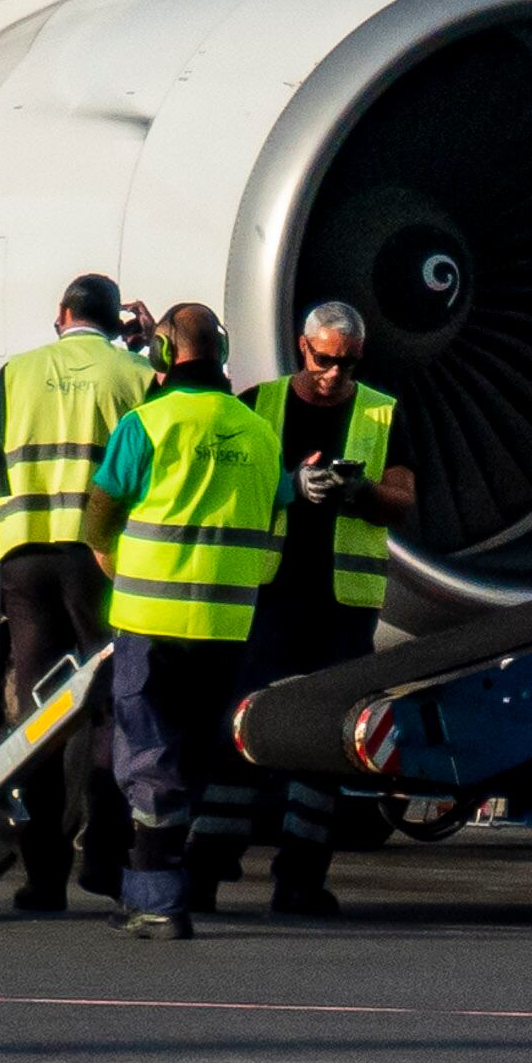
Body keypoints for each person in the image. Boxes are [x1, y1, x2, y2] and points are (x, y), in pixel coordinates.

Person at [84, 303, 284, 942]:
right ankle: (152, 892)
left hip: (150, 618)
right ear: (222, 356)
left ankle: (159, 900)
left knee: (147, 758)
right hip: (226, 625)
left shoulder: (148, 424)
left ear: (165, 358)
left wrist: (107, 552)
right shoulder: (257, 432)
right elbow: (278, 511)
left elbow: (100, 508)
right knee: (194, 756)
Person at [229, 302, 413, 919]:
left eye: (348, 362)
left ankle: (300, 878)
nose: (334, 373)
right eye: (324, 359)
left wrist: (360, 492)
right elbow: (230, 491)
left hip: (342, 607)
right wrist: (289, 487)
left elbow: (403, 500)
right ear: (302, 347)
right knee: (241, 728)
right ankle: (207, 864)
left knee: (324, 740)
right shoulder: (259, 403)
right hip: (271, 596)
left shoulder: (381, 411)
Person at [0, 274, 147, 913]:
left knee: (38, 713)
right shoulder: (131, 375)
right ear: (113, 320)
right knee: (109, 704)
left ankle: (40, 877)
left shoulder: (17, 373)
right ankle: (101, 849)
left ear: (61, 315)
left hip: (24, 553)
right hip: (99, 558)